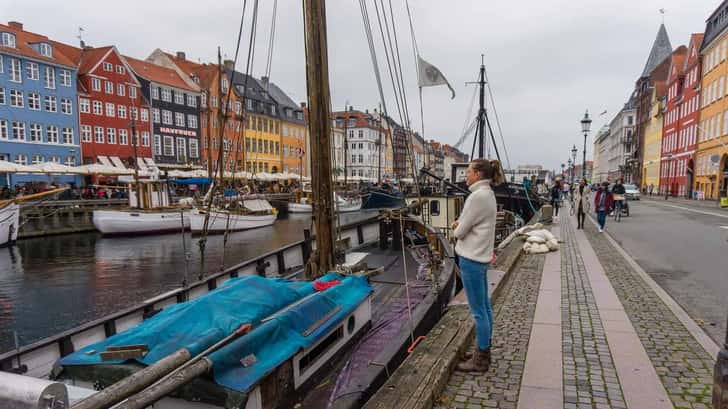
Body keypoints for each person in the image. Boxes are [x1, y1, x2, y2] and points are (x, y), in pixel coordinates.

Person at [450, 159, 503, 372]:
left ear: (479, 174)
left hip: (471, 259)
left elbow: (460, 232)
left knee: (478, 311)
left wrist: (457, 227)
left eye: (469, 171)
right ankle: (484, 348)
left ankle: (480, 360)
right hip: (481, 258)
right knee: (485, 307)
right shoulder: (488, 194)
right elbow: (476, 223)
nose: (466, 175)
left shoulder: (476, 197)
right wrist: (462, 224)